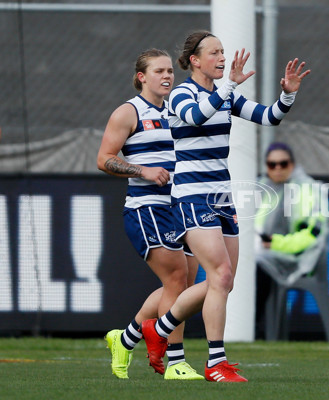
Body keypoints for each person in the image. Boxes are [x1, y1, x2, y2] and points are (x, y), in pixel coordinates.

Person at [141, 30, 310, 382]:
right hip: (192, 196)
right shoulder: (182, 93)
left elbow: (270, 117)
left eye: (223, 51)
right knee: (220, 275)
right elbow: (197, 117)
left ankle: (160, 328)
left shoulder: (224, 94)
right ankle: (215, 363)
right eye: (214, 52)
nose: (222, 57)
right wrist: (228, 87)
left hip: (222, 197)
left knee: (224, 280)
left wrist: (287, 95)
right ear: (194, 60)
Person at [97, 49, 204, 380]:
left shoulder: (179, 110)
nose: (168, 76)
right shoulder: (128, 112)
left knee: (185, 283)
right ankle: (176, 363)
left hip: (180, 207)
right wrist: (143, 170)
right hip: (147, 208)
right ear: (142, 77)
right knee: (175, 279)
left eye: (170, 70)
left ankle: (125, 338)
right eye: (159, 71)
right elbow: (104, 158)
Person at [254, 142, 328, 336]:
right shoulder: (260, 189)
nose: (277, 168)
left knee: (257, 266)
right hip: (263, 252)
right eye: (272, 165)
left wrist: (276, 243)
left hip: (300, 259)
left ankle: (255, 324)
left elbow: (312, 235)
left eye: (283, 163)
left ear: (292, 164)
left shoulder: (308, 189)